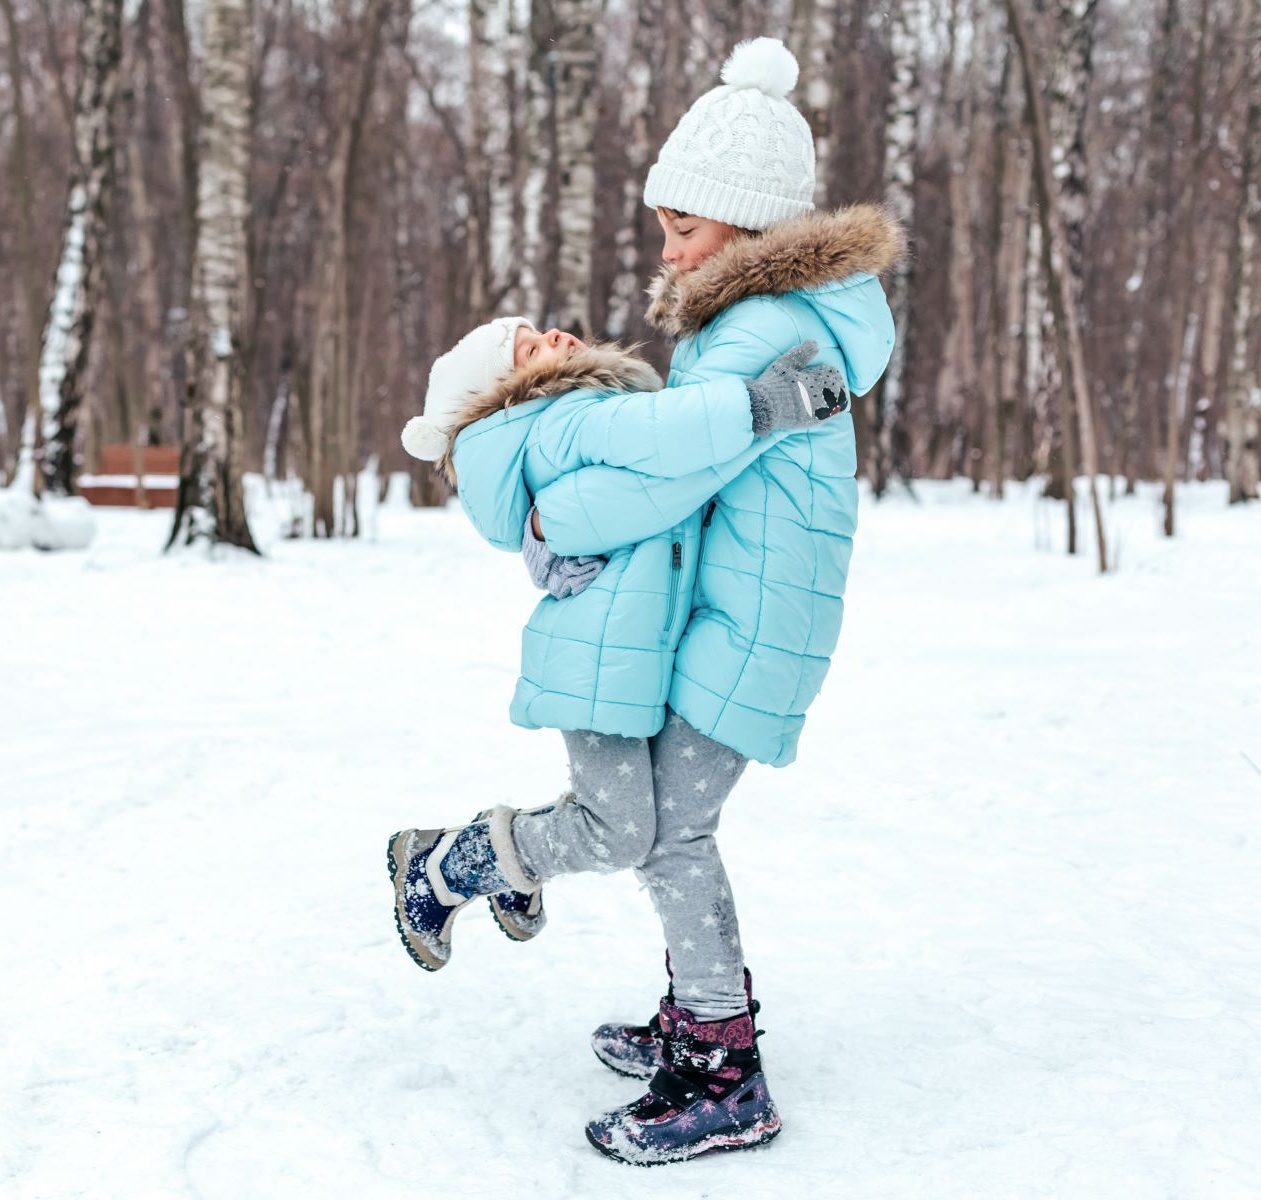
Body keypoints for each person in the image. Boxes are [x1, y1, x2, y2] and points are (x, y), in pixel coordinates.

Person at [387, 37, 904, 1168]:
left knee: (667, 836)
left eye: (685, 228)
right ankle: (699, 1020)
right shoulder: (788, 315)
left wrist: (550, 521)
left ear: (751, 226)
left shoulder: (760, 329)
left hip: (746, 615)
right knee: (671, 830)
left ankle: (721, 1068)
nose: (666, 248)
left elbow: (670, 468)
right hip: (750, 607)